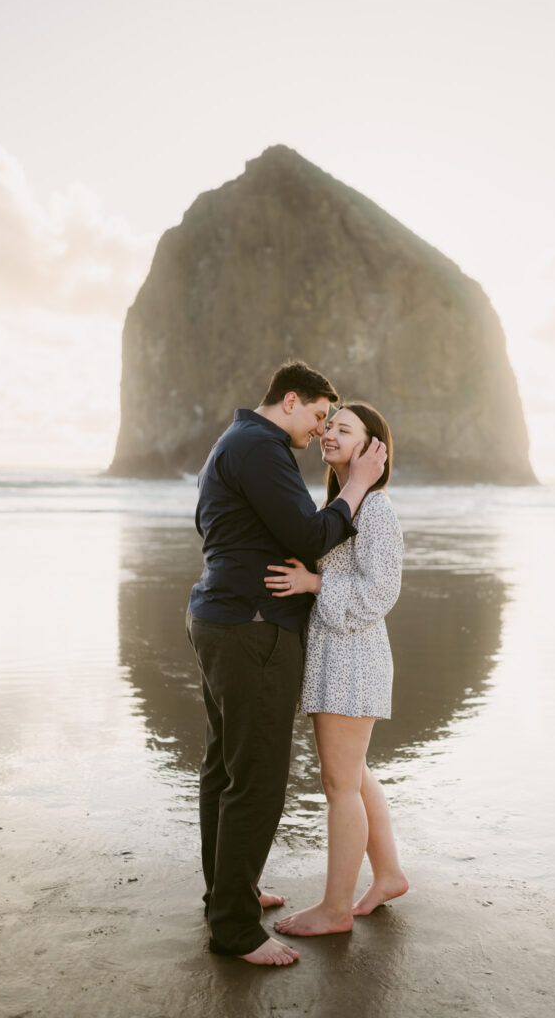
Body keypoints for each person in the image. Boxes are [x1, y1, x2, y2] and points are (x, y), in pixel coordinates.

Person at [186, 363, 387, 966]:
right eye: (321, 416)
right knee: (257, 779)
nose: (320, 432)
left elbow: (216, 528)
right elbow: (307, 534)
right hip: (251, 629)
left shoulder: (234, 443)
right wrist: (358, 484)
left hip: (222, 618)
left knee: (225, 768)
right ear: (292, 401)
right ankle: (236, 930)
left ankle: (230, 894)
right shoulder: (260, 445)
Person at [264, 403, 408, 937]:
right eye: (329, 426)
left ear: (374, 448)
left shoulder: (376, 511)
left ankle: (335, 909)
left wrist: (315, 584)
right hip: (336, 656)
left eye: (344, 429)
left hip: (354, 658)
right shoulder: (343, 506)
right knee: (353, 774)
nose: (328, 433)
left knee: (338, 783)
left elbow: (381, 592)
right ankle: (388, 874)